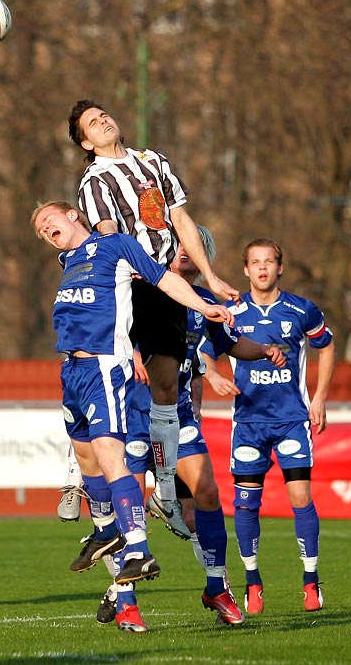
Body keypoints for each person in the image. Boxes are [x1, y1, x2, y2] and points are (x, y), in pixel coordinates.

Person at [31, 201, 234, 632]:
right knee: (90, 465)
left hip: (110, 371)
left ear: (74, 214)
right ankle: (107, 532)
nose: (45, 228)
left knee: (113, 457)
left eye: (49, 219)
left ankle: (143, 551)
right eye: (39, 228)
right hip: (72, 370)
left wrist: (205, 304)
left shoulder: (117, 248)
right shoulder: (70, 261)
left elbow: (163, 281)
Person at [94, 226, 285, 628]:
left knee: (207, 496)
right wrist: (130, 352)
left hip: (178, 419)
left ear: (203, 254)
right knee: (130, 509)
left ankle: (217, 587)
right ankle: (125, 599)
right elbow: (107, 332)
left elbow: (233, 343)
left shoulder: (205, 303)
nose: (181, 250)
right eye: (176, 243)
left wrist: (265, 349)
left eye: (190, 245)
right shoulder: (141, 291)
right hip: (132, 417)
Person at [68, 99, 240, 539]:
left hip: (166, 284)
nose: (104, 120)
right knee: (114, 379)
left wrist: (211, 276)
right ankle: (79, 474)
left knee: (166, 384)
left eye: (104, 113)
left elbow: (180, 219)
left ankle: (165, 490)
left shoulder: (153, 161)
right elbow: (109, 237)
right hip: (128, 286)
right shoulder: (94, 181)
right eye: (93, 122)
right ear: (86, 142)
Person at [202, 238, 335, 614]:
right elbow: (205, 354)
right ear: (245, 270)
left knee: (300, 498)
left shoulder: (300, 309)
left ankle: (310, 582)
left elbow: (326, 345)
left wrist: (320, 396)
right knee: (246, 506)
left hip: (292, 419)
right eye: (255, 262)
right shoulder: (230, 312)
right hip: (248, 423)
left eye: (269, 262)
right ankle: (252, 582)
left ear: (280, 267)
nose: (262, 268)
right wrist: (213, 376)